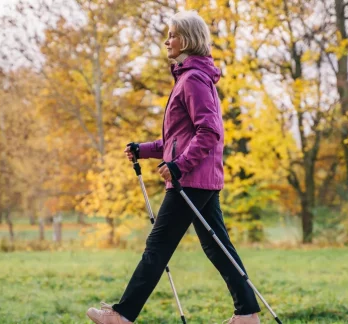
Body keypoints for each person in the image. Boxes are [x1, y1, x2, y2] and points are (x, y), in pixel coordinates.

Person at [86, 10, 261, 324]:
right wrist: (144, 149)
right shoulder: (188, 77)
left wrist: (180, 166)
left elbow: (210, 131)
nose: (167, 41)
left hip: (191, 179)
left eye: (172, 35)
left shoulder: (193, 79)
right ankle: (247, 315)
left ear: (188, 39)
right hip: (199, 177)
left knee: (158, 245)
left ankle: (122, 316)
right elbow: (177, 139)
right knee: (217, 246)